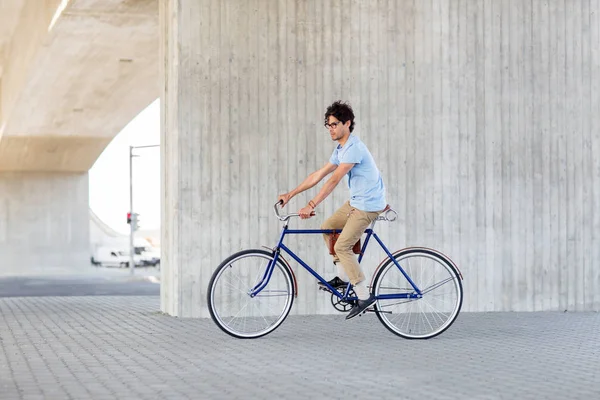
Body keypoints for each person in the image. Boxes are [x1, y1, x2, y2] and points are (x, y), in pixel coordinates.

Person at [277, 101, 387, 320]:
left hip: (369, 205)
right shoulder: (341, 149)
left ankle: (364, 296)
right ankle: (344, 276)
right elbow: (319, 174)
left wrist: (311, 205)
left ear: (347, 124)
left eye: (335, 124)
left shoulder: (353, 147)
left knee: (343, 246)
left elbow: (334, 179)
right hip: (357, 202)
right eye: (328, 125)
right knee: (328, 227)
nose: (331, 129)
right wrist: (291, 194)